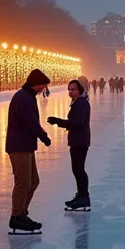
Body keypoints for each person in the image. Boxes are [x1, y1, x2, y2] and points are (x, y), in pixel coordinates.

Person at [7, 69, 53, 233]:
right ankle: (16, 216)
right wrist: (43, 136)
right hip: (19, 146)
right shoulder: (23, 98)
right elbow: (30, 121)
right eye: (43, 86)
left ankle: (22, 213)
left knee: (33, 181)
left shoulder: (28, 96)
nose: (43, 90)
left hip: (26, 146)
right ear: (37, 84)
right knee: (23, 183)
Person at [48, 79, 92, 211]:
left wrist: (59, 121)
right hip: (78, 140)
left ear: (79, 90)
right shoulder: (77, 102)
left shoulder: (81, 103)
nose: (70, 92)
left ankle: (84, 197)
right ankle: (81, 195)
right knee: (77, 169)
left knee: (78, 169)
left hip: (80, 141)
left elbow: (78, 122)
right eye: (69, 89)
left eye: (73, 89)